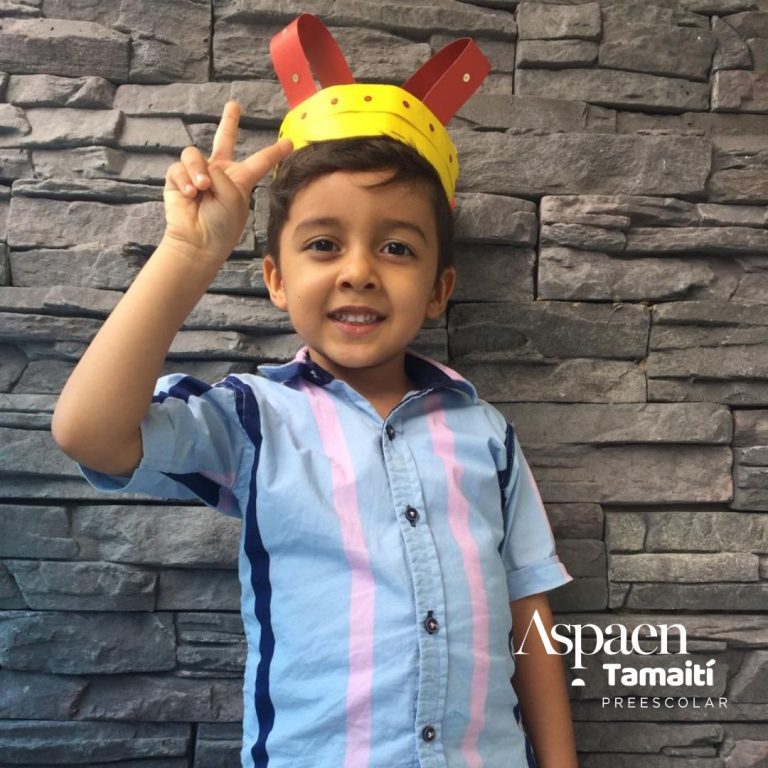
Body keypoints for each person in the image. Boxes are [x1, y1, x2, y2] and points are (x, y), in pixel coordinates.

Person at [52, 13, 578, 768]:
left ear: (439, 289)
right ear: (275, 277)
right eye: (324, 244)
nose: (359, 271)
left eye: (396, 247)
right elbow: (89, 433)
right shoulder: (253, 418)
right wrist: (189, 252)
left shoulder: (486, 434)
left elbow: (529, 611)